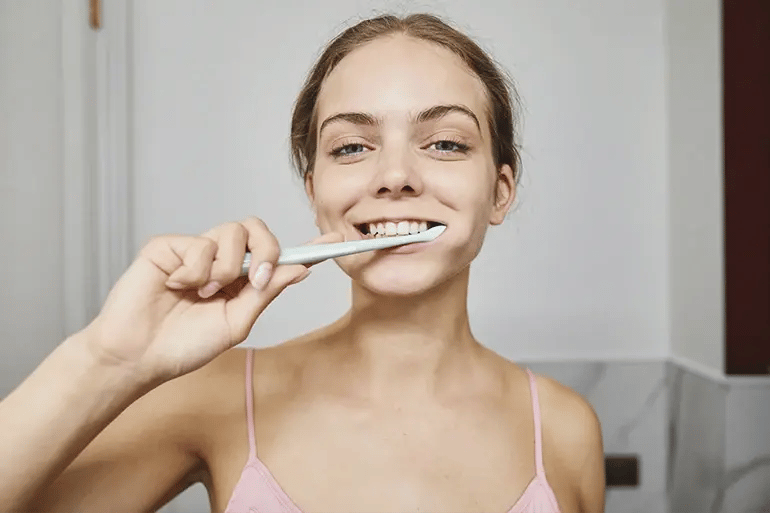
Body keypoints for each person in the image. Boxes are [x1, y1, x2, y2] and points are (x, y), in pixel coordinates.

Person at [0, 12, 605, 513]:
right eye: (352, 147)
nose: (394, 176)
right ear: (315, 193)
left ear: (500, 190)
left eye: (445, 142)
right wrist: (108, 358)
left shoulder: (564, 428)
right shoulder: (217, 395)